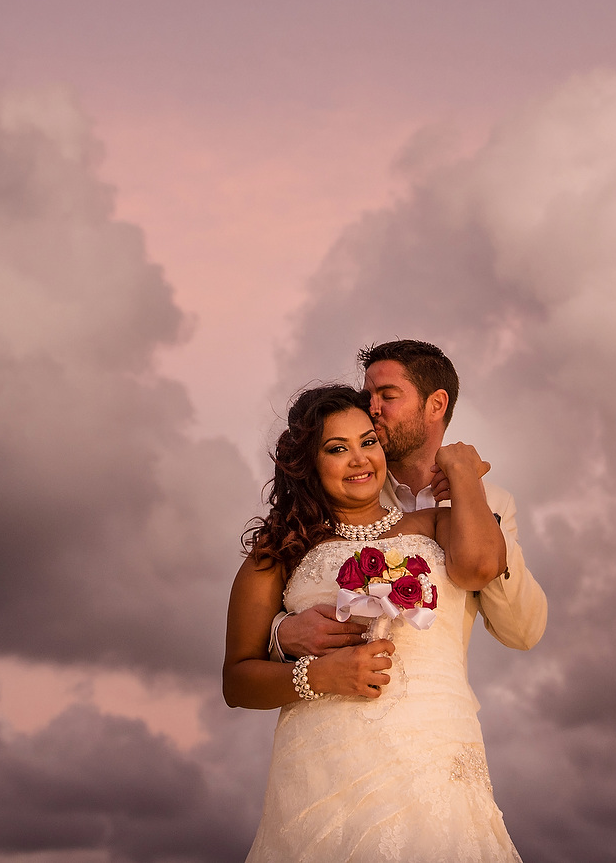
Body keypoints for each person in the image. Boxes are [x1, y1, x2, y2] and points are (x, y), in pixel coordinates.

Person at [224, 385, 523, 862]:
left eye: (368, 442)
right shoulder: (278, 551)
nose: (359, 460)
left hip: (434, 755)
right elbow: (236, 681)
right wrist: (316, 676)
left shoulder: (432, 525)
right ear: (308, 463)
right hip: (325, 772)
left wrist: (463, 471)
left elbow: (483, 565)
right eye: (337, 449)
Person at [272, 340, 548, 665]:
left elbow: (522, 633)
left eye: (387, 396)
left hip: (436, 700)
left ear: (436, 405)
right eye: (367, 398)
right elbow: (288, 585)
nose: (371, 409)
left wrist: (473, 497)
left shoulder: (496, 502)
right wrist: (281, 634)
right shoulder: (340, 488)